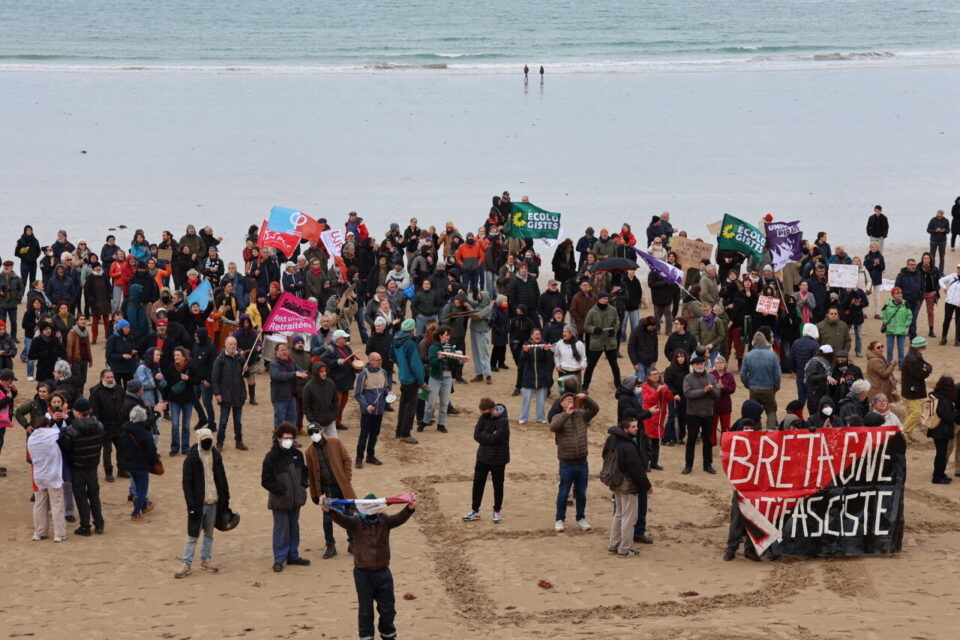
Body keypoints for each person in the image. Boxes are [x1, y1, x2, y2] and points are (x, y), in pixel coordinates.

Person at [323, 492, 417, 640]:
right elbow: (341, 519)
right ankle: (366, 637)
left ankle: (388, 634)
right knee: (365, 611)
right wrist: (329, 510)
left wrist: (409, 509)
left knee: (388, 609)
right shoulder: (356, 522)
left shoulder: (384, 520)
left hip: (383, 572)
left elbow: (398, 518)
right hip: (362, 573)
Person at [174, 427, 231, 578]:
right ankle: (186, 563)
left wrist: (225, 500)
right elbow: (187, 485)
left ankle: (206, 559)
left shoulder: (216, 455)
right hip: (198, 503)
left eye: (209, 440)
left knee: (209, 534)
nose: (207, 443)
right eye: (205, 440)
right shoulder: (191, 459)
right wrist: (191, 506)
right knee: (192, 535)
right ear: (199, 441)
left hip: (214, 501)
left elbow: (222, 478)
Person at [261, 422, 310, 572]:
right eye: (286, 438)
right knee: (281, 529)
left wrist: (303, 486)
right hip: (280, 501)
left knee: (294, 528)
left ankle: (293, 556)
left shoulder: (297, 454)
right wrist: (281, 490)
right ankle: (279, 558)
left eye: (291, 438)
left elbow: (304, 471)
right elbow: (266, 480)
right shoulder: (271, 457)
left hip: (296, 500)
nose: (288, 440)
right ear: (278, 438)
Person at [602, 415, 652, 558]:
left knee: (618, 514)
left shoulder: (613, 440)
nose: (637, 429)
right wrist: (647, 486)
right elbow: (636, 470)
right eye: (633, 426)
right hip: (627, 485)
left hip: (616, 483)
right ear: (625, 429)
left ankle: (613, 544)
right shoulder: (628, 446)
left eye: (636, 425)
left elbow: (605, 455)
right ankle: (624, 548)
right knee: (628, 518)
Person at [549, 391, 599, 532]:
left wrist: (586, 398)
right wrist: (567, 413)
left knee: (582, 493)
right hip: (566, 462)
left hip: (582, 462)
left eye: (573, 399)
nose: (571, 401)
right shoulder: (558, 416)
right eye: (568, 400)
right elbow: (553, 427)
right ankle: (559, 519)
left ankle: (581, 518)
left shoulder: (582, 415)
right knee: (564, 492)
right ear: (562, 404)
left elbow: (595, 409)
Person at [305, 423, 356, 559]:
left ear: (321, 431)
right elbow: (311, 474)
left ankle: (353, 543)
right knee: (327, 518)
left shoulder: (335, 442)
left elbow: (347, 460)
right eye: (311, 433)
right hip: (326, 489)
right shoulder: (309, 452)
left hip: (341, 486)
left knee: (349, 513)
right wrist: (315, 494)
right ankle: (330, 545)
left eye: (315, 431)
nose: (314, 435)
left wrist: (346, 478)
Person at [723, 401, 763, 562]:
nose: (748, 431)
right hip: (740, 487)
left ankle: (750, 549)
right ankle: (731, 548)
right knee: (736, 520)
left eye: (750, 428)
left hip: (756, 487)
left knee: (753, 519)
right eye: (745, 428)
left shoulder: (760, 442)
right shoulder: (733, 443)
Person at [59, 398, 105, 536]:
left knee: (81, 496)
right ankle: (99, 523)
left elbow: (65, 447)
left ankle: (85, 526)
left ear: (77, 412)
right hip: (92, 465)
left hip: (77, 467)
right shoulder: (99, 426)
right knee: (94, 495)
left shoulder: (72, 430)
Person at [463, 397, 510, 523]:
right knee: (478, 484)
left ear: (492, 409)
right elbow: (476, 435)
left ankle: (497, 511)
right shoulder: (483, 416)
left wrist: (486, 435)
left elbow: (496, 438)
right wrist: (490, 435)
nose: (483, 415)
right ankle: (475, 511)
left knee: (498, 486)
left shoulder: (503, 420)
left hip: (499, 459)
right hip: (483, 457)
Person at [28, 416, 67, 541]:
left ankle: (39, 532)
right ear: (48, 426)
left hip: (38, 475)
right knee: (57, 504)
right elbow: (65, 431)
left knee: (39, 504)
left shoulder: (31, 438)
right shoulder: (54, 435)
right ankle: (59, 534)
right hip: (53, 474)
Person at [118, 405, 159, 521]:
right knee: (142, 490)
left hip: (129, 465)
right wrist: (154, 462)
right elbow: (152, 451)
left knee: (138, 486)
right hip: (142, 465)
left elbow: (120, 447)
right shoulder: (145, 434)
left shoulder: (125, 431)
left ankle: (144, 507)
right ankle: (136, 513)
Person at [682, 356, 721, 474]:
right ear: (693, 366)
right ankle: (688, 465)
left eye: (701, 364)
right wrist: (704, 390)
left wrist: (711, 390)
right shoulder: (688, 378)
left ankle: (708, 465)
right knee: (691, 440)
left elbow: (717, 394)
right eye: (697, 364)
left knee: (707, 440)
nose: (699, 366)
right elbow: (688, 393)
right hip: (693, 414)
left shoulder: (711, 377)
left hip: (708, 413)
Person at [211, 336, 249, 450]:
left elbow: (246, 376)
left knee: (238, 422)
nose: (233, 346)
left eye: (235, 344)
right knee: (223, 422)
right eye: (231, 344)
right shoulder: (220, 359)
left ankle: (239, 441)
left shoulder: (241, 359)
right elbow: (214, 378)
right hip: (225, 395)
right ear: (226, 345)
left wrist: (247, 370)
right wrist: (217, 394)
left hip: (238, 394)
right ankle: (219, 442)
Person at [354, 352, 390, 467]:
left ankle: (370, 456)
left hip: (379, 410)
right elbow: (358, 394)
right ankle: (359, 458)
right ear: (370, 361)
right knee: (364, 434)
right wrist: (366, 406)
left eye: (380, 359)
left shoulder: (383, 372)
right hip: (367, 411)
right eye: (377, 360)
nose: (380, 361)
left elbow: (386, 387)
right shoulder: (363, 374)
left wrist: (389, 392)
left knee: (375, 433)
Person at [739, 331, 781, 428]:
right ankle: (770, 431)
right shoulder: (772, 355)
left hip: (753, 388)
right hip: (769, 388)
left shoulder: (748, 355)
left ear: (754, 342)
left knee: (754, 411)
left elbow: (742, 374)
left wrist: (748, 384)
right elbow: (777, 375)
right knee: (771, 410)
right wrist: (776, 387)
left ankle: (756, 432)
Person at [422, 326, 460, 433]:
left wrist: (459, 360)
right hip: (435, 378)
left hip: (447, 377)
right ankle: (425, 420)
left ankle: (441, 424)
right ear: (440, 336)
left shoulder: (450, 347)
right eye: (447, 335)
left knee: (444, 402)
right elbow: (432, 363)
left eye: (449, 335)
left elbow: (454, 364)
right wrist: (438, 359)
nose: (448, 337)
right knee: (431, 402)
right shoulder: (434, 347)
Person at [582, 290, 621, 391]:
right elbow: (586, 327)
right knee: (590, 366)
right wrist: (594, 329)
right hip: (596, 343)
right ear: (598, 300)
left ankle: (618, 386)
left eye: (607, 299)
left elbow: (617, 323)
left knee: (615, 366)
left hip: (610, 343)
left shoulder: (612, 309)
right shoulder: (592, 312)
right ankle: (585, 387)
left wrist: (614, 330)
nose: (606, 300)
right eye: (604, 299)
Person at [163, 346, 196, 456]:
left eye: (178, 355)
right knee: (175, 425)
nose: (176, 357)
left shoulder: (191, 367)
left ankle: (186, 448)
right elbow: (166, 385)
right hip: (175, 400)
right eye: (175, 355)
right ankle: (175, 448)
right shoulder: (170, 368)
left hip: (188, 400)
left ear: (184, 357)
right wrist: (165, 399)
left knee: (186, 425)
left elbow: (197, 381)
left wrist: (188, 379)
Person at [270, 341, 309, 428]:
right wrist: (294, 374)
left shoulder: (291, 361)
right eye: (282, 350)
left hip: (291, 396)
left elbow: (299, 370)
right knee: (279, 421)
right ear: (276, 352)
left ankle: (292, 440)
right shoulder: (273, 364)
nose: (284, 352)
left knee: (292, 420)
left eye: (286, 350)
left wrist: (303, 373)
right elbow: (277, 375)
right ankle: (277, 441)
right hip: (279, 398)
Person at [901, 336, 933, 442]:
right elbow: (920, 374)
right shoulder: (912, 359)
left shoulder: (915, 355)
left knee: (910, 412)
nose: (926, 347)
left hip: (911, 388)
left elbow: (926, 365)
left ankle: (907, 433)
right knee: (916, 412)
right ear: (920, 346)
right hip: (912, 389)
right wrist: (927, 370)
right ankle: (903, 432)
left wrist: (927, 368)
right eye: (924, 345)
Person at [519, 328, 553, 424]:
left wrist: (546, 351)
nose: (538, 336)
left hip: (542, 377)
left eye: (539, 334)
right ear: (531, 336)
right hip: (528, 377)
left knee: (541, 400)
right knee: (526, 399)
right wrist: (525, 352)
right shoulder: (526, 344)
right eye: (536, 334)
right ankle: (523, 418)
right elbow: (522, 360)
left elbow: (548, 360)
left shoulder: (544, 344)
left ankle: (541, 418)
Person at [928, 376, 956, 484]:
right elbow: (948, 417)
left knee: (941, 454)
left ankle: (941, 474)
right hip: (942, 431)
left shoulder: (936, 397)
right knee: (941, 454)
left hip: (937, 430)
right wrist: (956, 413)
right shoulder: (944, 400)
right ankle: (937, 476)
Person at [881, 286, 912, 366]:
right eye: (897, 293)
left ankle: (901, 365)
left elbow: (909, 315)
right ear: (893, 295)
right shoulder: (887, 304)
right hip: (890, 328)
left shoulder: (905, 303)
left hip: (901, 329)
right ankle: (889, 364)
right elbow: (883, 313)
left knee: (901, 349)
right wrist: (885, 321)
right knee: (889, 349)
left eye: (900, 293)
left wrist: (907, 324)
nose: (899, 295)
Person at [710, 356, 736, 446]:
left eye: (721, 363)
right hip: (713, 405)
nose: (719, 365)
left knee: (726, 428)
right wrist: (715, 388)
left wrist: (723, 387)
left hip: (725, 405)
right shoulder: (711, 374)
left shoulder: (729, 375)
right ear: (714, 365)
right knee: (712, 427)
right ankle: (712, 444)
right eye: (717, 363)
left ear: (725, 364)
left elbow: (732, 389)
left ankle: (725, 444)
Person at [894, 259, 923, 339]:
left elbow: (922, 288)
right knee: (903, 320)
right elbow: (897, 288)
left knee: (913, 321)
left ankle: (913, 338)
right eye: (911, 264)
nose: (913, 266)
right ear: (907, 265)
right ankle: (901, 336)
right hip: (905, 302)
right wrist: (899, 300)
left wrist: (920, 299)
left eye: (914, 264)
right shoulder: (901, 275)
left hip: (915, 302)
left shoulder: (919, 274)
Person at [940, 264, 960, 346]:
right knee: (946, 320)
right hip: (949, 302)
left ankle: (957, 340)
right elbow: (940, 280)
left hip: (959, 304)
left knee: (958, 322)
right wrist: (944, 288)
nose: (959, 270)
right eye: (958, 268)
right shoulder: (952, 276)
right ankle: (944, 338)